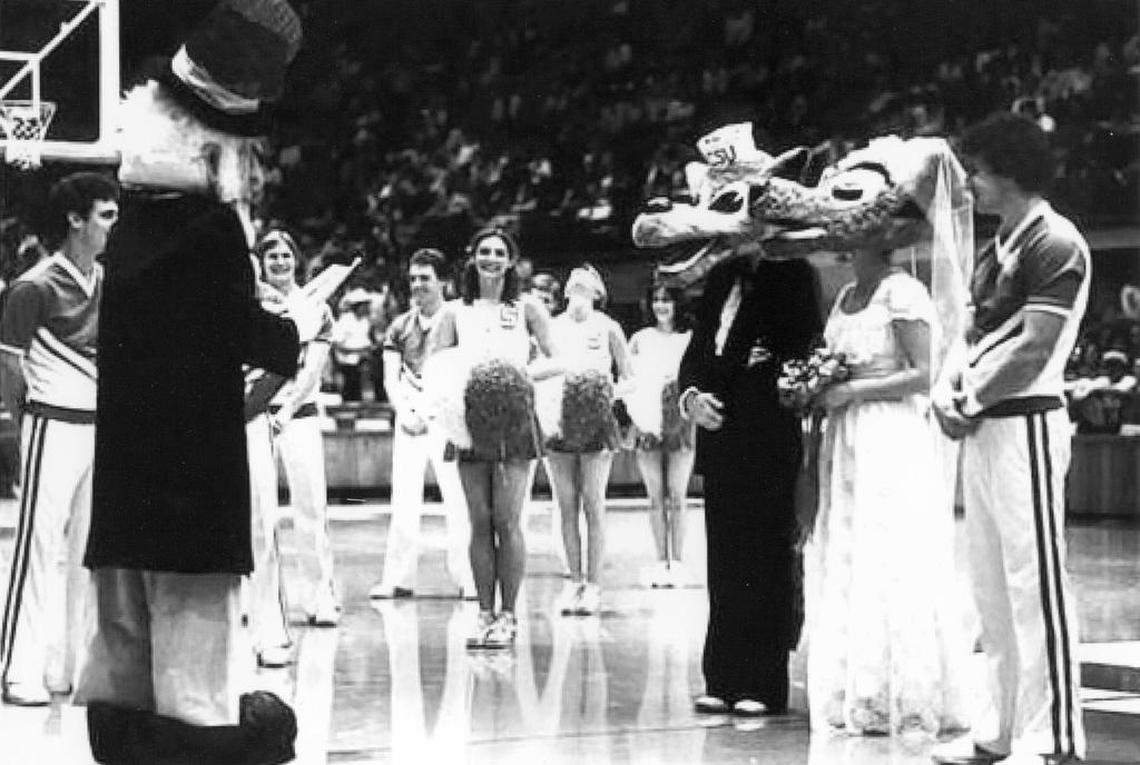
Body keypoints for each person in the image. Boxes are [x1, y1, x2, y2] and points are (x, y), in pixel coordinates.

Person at [76, 3, 321, 762]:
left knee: (122, 662)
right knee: (196, 677)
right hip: (193, 501)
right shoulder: (211, 230)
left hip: (123, 496)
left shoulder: (127, 235)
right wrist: (300, 325)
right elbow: (244, 334)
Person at [932, 112, 1089, 764]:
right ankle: (997, 730)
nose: (971, 181)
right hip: (986, 429)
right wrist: (948, 389)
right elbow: (970, 341)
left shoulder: (1057, 243)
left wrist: (965, 397)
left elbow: (1033, 350)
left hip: (1026, 424)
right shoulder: (1000, 245)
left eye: (981, 169)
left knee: (1035, 586)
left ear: (1012, 172)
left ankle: (1053, 739)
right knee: (991, 590)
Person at [803, 249, 969, 737]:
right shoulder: (846, 296)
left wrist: (853, 392)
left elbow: (926, 371)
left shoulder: (903, 292)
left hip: (889, 433)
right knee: (852, 552)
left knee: (891, 552)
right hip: (845, 436)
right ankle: (860, 688)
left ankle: (906, 692)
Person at [679, 251, 821, 718]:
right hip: (720, 439)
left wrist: (763, 370)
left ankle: (762, 681)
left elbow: (802, 350)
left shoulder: (795, 274)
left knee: (765, 560)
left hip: (768, 437)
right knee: (723, 558)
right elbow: (698, 349)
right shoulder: (721, 276)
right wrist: (692, 397)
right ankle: (720, 675)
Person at [0, 172, 119, 706]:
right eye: (106, 215)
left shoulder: (110, 283)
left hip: (100, 432)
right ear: (76, 220)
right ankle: (17, 668)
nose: (115, 226)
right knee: (36, 551)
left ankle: (72, 668)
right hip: (50, 424)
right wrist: (33, 419)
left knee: (90, 554)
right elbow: (10, 371)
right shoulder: (33, 287)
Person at [427, 227, 559, 649]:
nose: (491, 258)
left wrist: (516, 376)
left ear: (511, 260)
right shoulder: (453, 312)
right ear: (472, 258)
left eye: (500, 252)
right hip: (468, 423)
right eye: (484, 251)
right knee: (479, 520)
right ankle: (483, 613)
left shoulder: (527, 307)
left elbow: (557, 360)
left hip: (514, 419)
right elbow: (435, 366)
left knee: (508, 519)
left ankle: (509, 615)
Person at [370, 248, 476, 600]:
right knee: (403, 499)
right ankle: (398, 578)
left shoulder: (461, 319)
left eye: (425, 278)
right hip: (411, 419)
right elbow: (390, 379)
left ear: (443, 281)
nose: (417, 285)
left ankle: (468, 578)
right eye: (413, 278)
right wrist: (405, 413)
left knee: (458, 499)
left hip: (449, 420)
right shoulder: (399, 326)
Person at [546, 265, 632, 616]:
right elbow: (540, 369)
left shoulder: (609, 327)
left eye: (587, 282)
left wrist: (604, 392)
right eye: (573, 281)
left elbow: (630, 377)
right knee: (565, 504)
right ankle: (574, 580)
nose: (579, 286)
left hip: (596, 421)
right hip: (560, 423)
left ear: (598, 292)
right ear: (565, 289)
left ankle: (594, 585)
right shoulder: (551, 326)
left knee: (593, 503)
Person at [627, 282, 695, 589]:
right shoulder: (640, 339)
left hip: (681, 420)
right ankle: (659, 560)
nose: (661, 305)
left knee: (678, 495)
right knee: (655, 497)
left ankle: (678, 561)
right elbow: (629, 380)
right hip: (647, 419)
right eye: (655, 300)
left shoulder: (689, 339)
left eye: (667, 300)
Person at [332, 289, 374, 401]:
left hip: (362, 362)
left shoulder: (365, 321)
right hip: (347, 364)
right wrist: (358, 351)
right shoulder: (345, 321)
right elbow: (337, 345)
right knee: (350, 393)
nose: (367, 308)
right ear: (358, 306)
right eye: (365, 305)